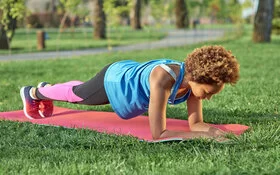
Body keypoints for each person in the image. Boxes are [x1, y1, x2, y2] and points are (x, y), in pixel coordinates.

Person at [20, 45, 239, 141]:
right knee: (80, 95)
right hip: (116, 81)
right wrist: (203, 139)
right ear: (195, 77)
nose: (207, 97)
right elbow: (159, 134)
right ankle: (35, 93)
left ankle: (48, 88)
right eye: (208, 92)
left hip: (129, 73)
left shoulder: (192, 85)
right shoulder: (163, 80)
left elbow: (196, 124)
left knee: (83, 88)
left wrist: (214, 132)